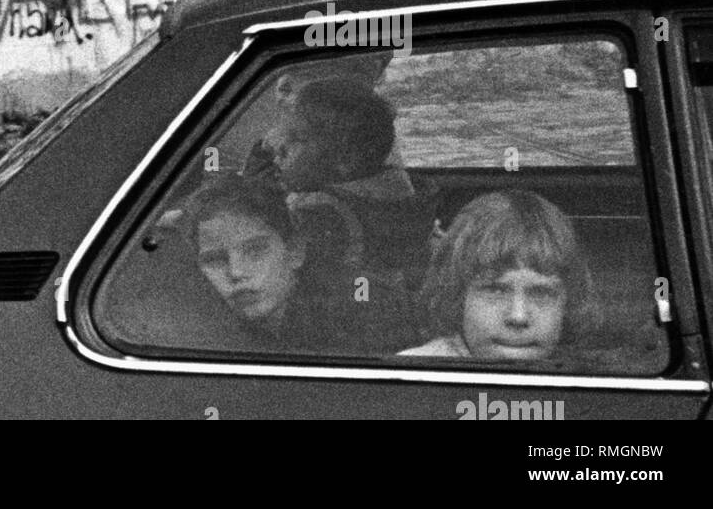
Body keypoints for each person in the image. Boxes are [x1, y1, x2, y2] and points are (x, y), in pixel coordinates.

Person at [243, 74, 434, 350]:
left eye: (296, 138)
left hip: (329, 337)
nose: (279, 147)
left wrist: (260, 155)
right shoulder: (396, 196)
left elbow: (249, 216)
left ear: (345, 161)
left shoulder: (320, 213)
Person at [399, 190, 600, 363]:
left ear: (568, 304)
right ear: (457, 298)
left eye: (542, 293)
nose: (518, 316)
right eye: (495, 290)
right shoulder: (409, 377)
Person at [178, 175, 337, 352]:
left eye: (255, 250)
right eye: (215, 259)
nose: (236, 272)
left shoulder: (341, 324)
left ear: (294, 252)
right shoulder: (205, 330)